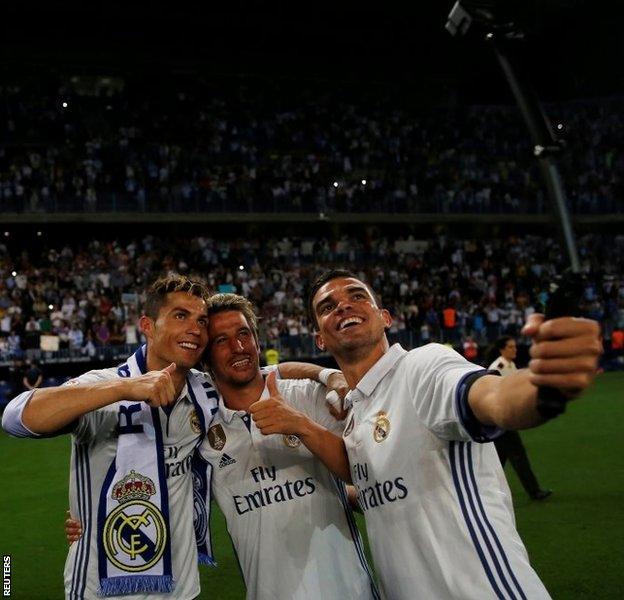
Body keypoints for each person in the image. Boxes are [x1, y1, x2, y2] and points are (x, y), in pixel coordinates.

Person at [306, 269, 601, 600]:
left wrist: (542, 387)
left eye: (358, 296)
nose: (344, 306)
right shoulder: (355, 414)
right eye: (328, 306)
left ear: (384, 317)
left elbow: (493, 396)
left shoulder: (423, 367)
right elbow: (381, 494)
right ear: (319, 338)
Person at [65, 292, 379, 599]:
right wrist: (93, 516)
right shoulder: (202, 426)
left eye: (244, 334)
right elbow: (168, 488)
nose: (238, 347)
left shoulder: (309, 397)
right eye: (221, 340)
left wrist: (324, 382)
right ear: (206, 357)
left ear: (257, 341)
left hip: (351, 590)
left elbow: (363, 472)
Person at [3, 274, 217, 600]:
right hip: (102, 590)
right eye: (180, 316)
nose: (195, 329)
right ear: (147, 325)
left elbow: (266, 376)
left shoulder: (205, 390)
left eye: (202, 320)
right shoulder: (105, 386)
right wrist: (124, 389)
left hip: (182, 590)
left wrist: (323, 372)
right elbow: (15, 417)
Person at [489, 336, 552, 500]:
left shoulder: (510, 366)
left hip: (505, 418)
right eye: (510, 347)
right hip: (502, 419)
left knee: (499, 459)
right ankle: (534, 491)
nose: (514, 349)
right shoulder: (498, 367)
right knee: (518, 456)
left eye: (514, 346)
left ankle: (488, 491)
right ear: (502, 349)